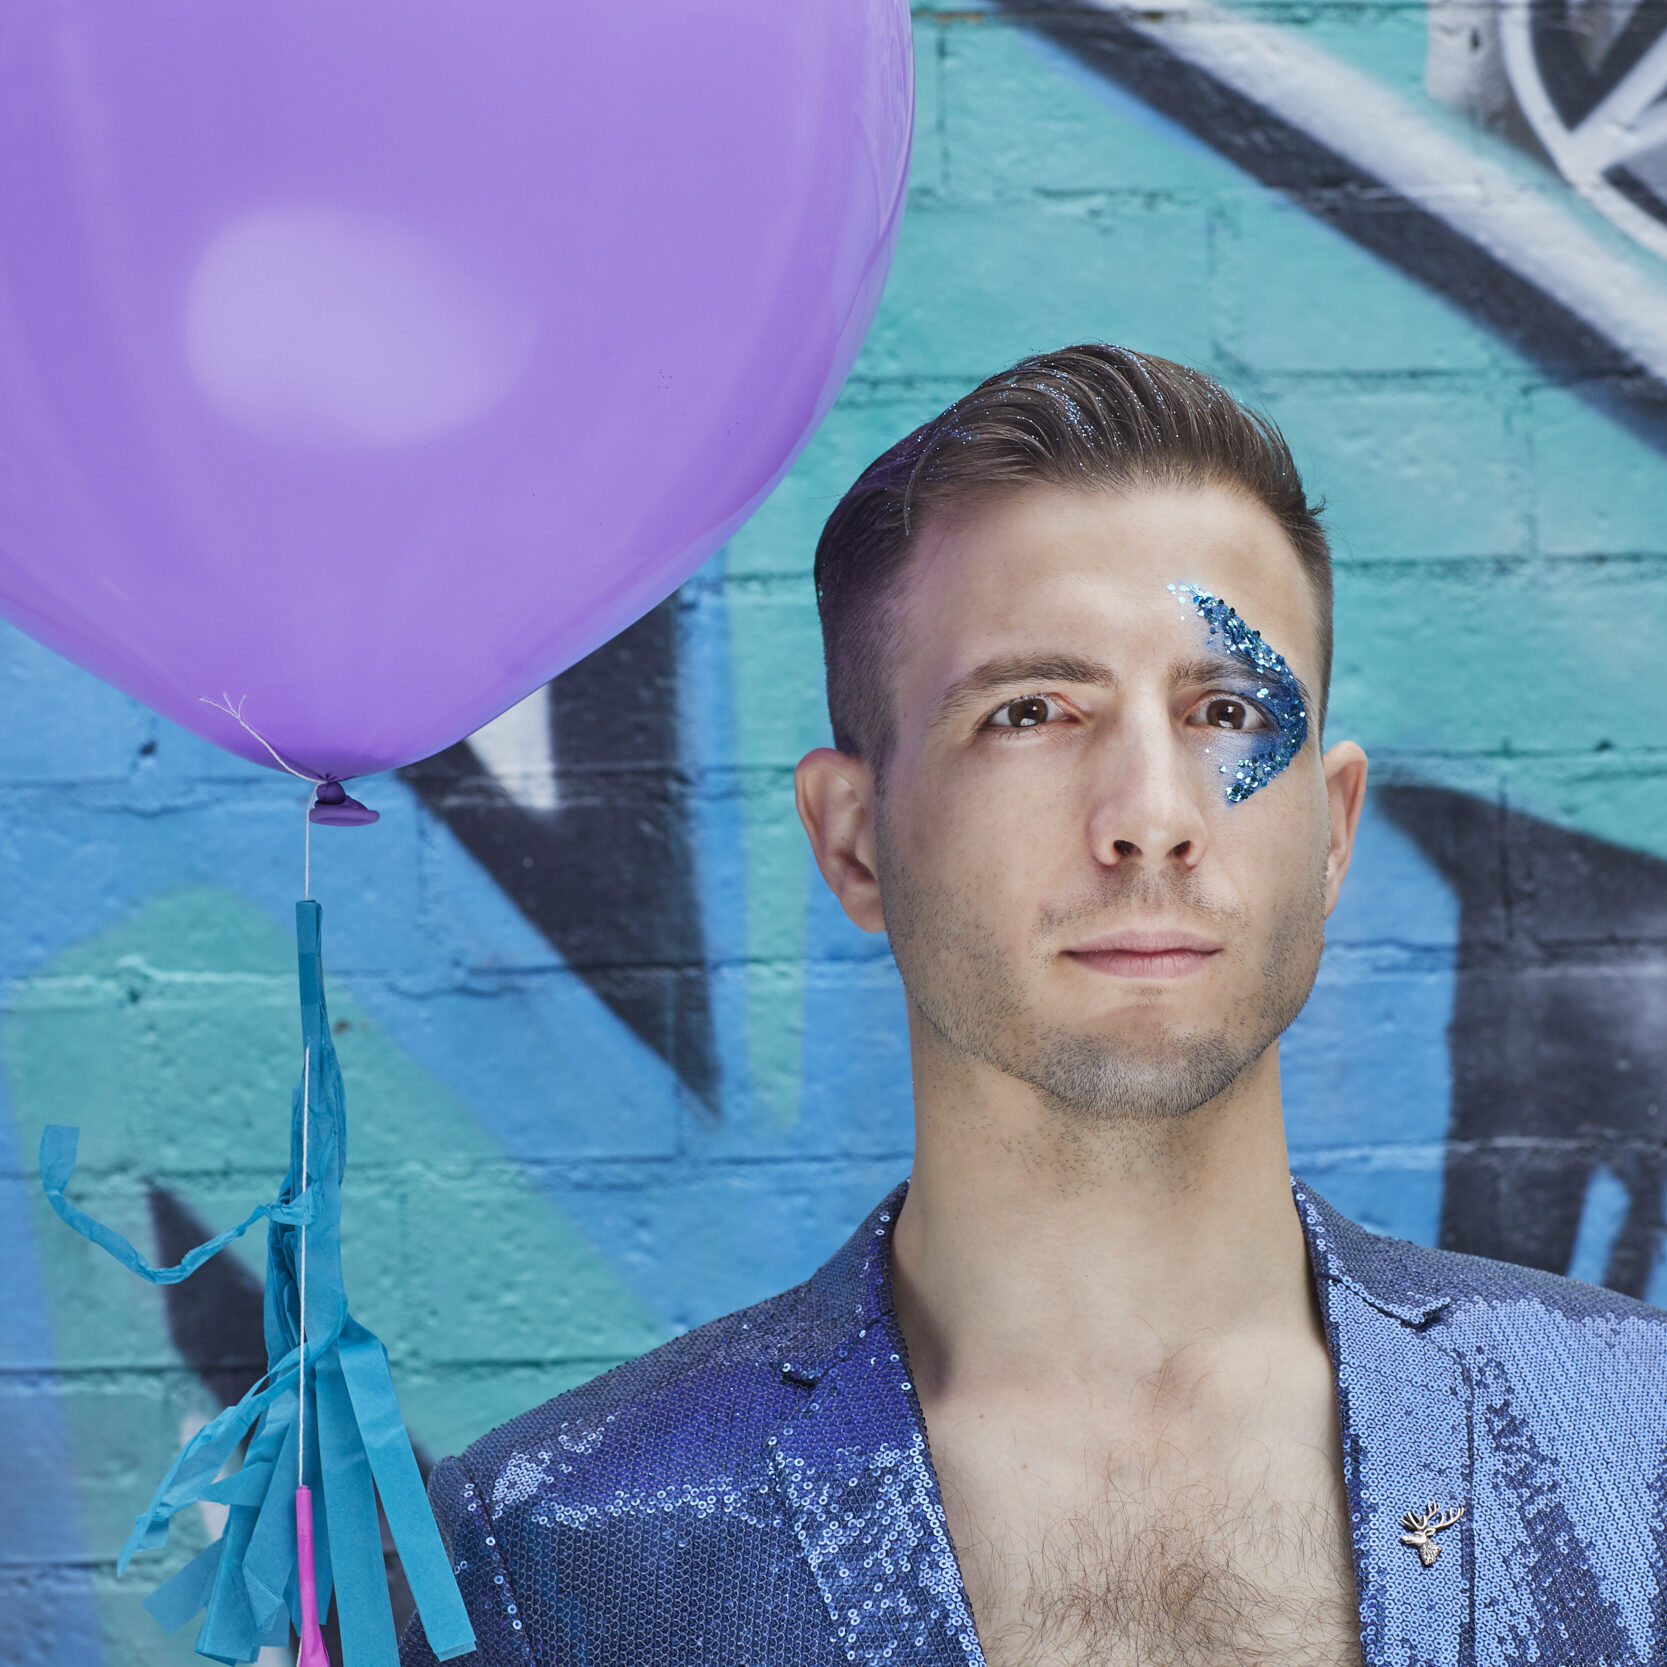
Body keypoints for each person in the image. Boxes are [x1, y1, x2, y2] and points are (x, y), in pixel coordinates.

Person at [400, 347, 1667, 1667]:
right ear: (854, 844)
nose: (1151, 819)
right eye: (1030, 713)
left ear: (1334, 832)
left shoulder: (1640, 1448)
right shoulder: (552, 1558)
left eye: (1228, 710)